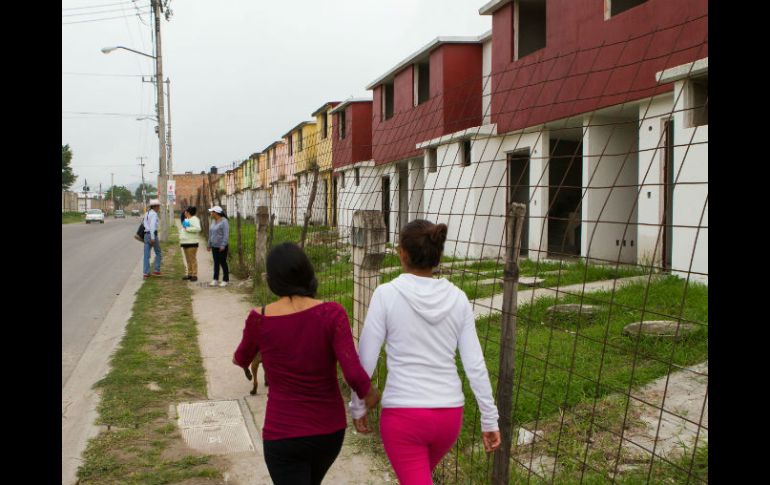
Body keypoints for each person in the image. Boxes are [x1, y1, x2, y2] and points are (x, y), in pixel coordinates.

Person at [350, 219, 501, 484]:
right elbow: (474, 364)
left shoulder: (386, 295)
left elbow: (365, 360)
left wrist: (358, 406)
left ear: (402, 253)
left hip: (403, 418)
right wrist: (489, 419)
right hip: (449, 418)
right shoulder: (458, 298)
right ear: (438, 254)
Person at [232, 242, 380, 485]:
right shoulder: (332, 313)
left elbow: (241, 358)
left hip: (283, 434)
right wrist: (369, 396)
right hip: (328, 432)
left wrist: (240, 357)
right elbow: (352, 371)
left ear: (272, 280)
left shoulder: (259, 318)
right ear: (308, 273)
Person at [207, 205, 230, 287]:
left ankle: (225, 279)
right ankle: (215, 279)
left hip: (222, 246)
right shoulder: (213, 221)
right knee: (216, 263)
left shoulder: (224, 222)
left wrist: (223, 245)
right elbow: (210, 234)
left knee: (223, 262)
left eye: (212, 212)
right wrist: (209, 244)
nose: (210, 213)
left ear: (216, 213)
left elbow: (226, 234)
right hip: (214, 246)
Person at [180, 206, 202, 282]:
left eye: (185, 211)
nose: (184, 212)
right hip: (185, 242)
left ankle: (194, 275)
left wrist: (188, 229)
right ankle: (189, 274)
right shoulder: (186, 219)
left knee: (192, 259)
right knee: (188, 259)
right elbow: (184, 229)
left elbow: (198, 228)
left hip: (192, 242)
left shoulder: (194, 219)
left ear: (188, 212)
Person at [142, 199, 162, 279]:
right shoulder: (154, 214)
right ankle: (156, 270)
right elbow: (153, 226)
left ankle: (146, 273)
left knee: (146, 255)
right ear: (155, 206)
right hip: (152, 235)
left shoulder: (147, 213)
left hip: (146, 235)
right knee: (158, 253)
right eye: (158, 206)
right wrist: (153, 237)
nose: (159, 208)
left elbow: (144, 224)